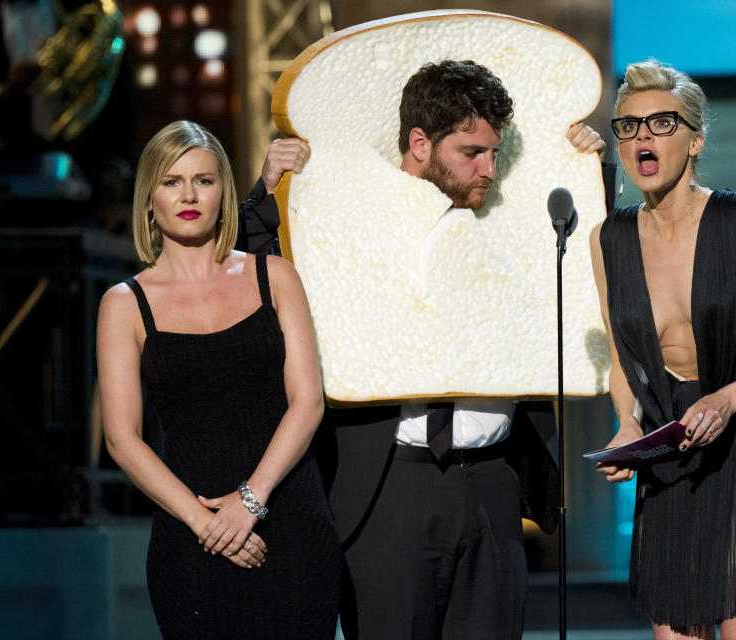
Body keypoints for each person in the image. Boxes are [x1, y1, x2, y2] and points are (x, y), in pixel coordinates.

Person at [240, 60, 606, 639]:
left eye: (495, 151)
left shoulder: (507, 225)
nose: (490, 168)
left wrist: (586, 169)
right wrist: (267, 193)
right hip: (388, 482)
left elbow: (583, 274)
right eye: (471, 152)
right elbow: (265, 285)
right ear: (419, 143)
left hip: (492, 480)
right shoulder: (351, 224)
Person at [589, 59, 736, 640]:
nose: (642, 136)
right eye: (629, 126)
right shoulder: (609, 239)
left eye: (662, 124)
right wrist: (626, 423)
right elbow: (625, 353)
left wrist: (728, 400)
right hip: (670, 454)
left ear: (696, 141)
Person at [96, 120, 341, 639]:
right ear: (148, 199)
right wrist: (209, 524)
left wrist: (250, 501)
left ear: (224, 192)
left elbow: (307, 402)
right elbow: (121, 439)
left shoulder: (272, 275)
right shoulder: (123, 304)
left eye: (204, 180)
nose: (189, 194)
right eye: (172, 181)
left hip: (291, 525)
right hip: (193, 539)